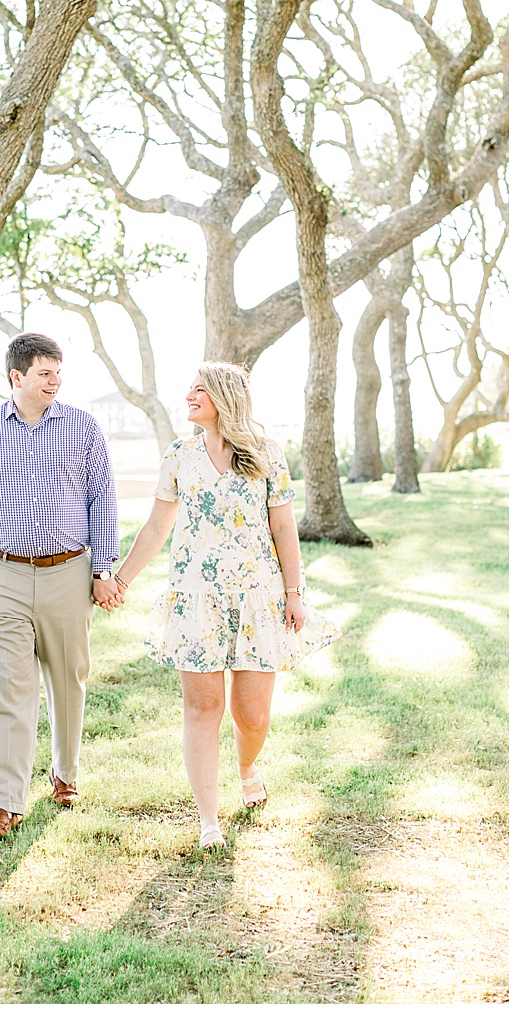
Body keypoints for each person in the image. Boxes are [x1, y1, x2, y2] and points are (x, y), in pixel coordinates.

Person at [112, 361, 338, 848]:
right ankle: (208, 821)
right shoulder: (179, 455)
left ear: (223, 397)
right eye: (190, 389)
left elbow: (283, 527)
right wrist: (120, 580)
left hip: (258, 598)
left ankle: (247, 765)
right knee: (203, 707)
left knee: (251, 715)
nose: (189, 396)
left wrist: (294, 593)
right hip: (196, 599)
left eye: (199, 390)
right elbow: (156, 527)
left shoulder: (265, 453)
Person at [0, 332, 123, 839]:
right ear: (17, 376)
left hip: (68, 574)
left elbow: (102, 500)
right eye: (45, 373)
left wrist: (102, 570)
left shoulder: (82, 426)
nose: (55, 381)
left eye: (58, 373)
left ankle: (65, 774)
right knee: (9, 688)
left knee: (68, 680)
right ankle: (5, 803)